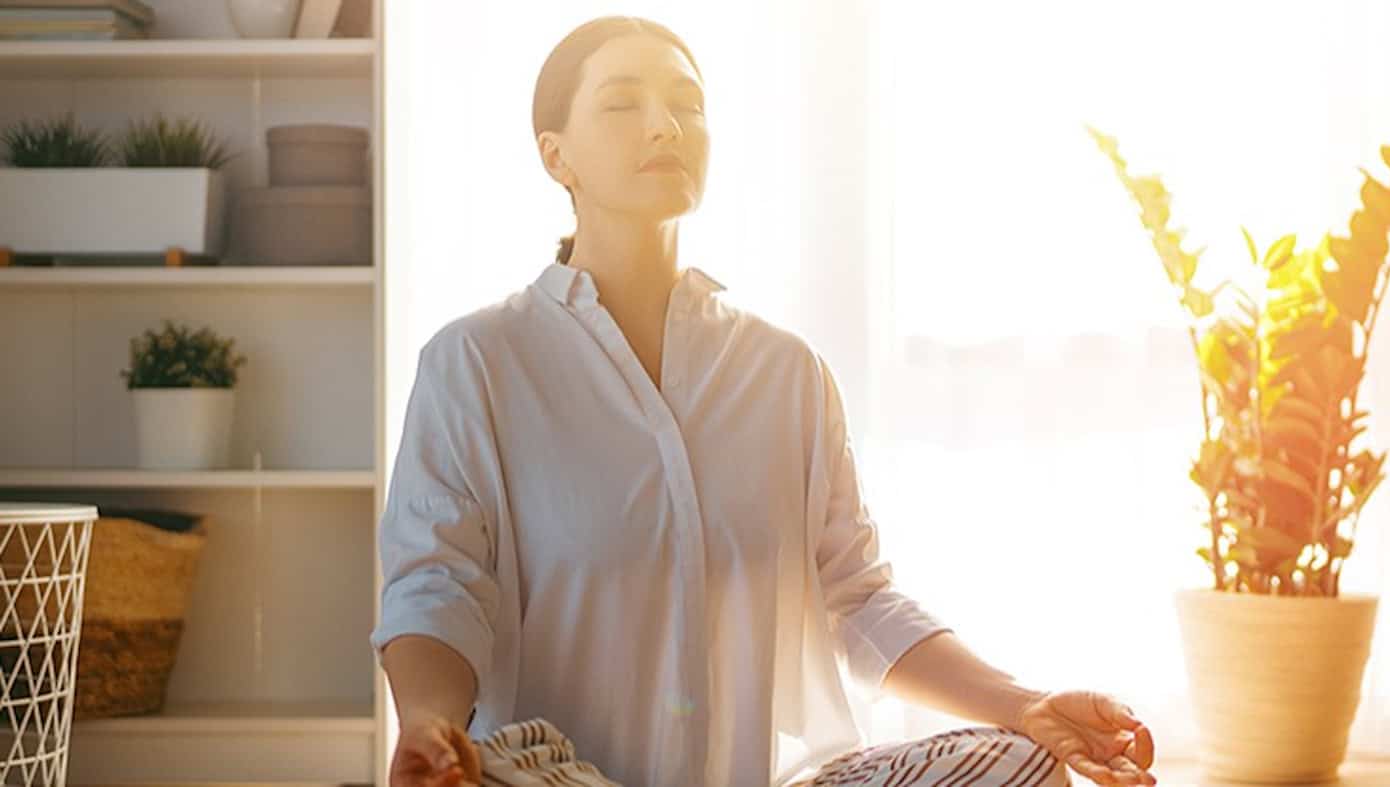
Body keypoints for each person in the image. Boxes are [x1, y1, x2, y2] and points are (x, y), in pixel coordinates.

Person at [371, 15, 1157, 787]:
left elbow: (858, 598)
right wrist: (429, 728)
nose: (664, 125)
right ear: (555, 156)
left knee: (1023, 763)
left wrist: (1026, 705)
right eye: (622, 103)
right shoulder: (477, 361)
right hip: (546, 776)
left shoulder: (787, 373)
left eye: (687, 103)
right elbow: (436, 587)